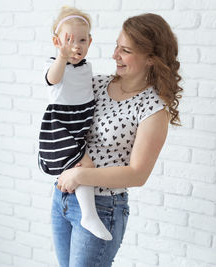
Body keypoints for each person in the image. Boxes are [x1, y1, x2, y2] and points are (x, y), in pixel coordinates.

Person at [52, 13, 183, 266]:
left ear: (151, 59)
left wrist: (79, 176)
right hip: (63, 197)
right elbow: (58, 102)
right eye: (116, 46)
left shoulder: (152, 108)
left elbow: (137, 174)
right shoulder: (96, 84)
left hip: (103, 207)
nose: (114, 55)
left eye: (125, 50)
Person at [38, 6, 113, 241]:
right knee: (85, 165)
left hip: (79, 125)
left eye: (82, 40)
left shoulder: (86, 66)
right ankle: (89, 214)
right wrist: (61, 56)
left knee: (79, 167)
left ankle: (86, 213)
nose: (76, 46)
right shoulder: (56, 65)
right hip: (61, 126)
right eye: (69, 40)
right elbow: (53, 78)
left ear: (90, 42)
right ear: (56, 42)